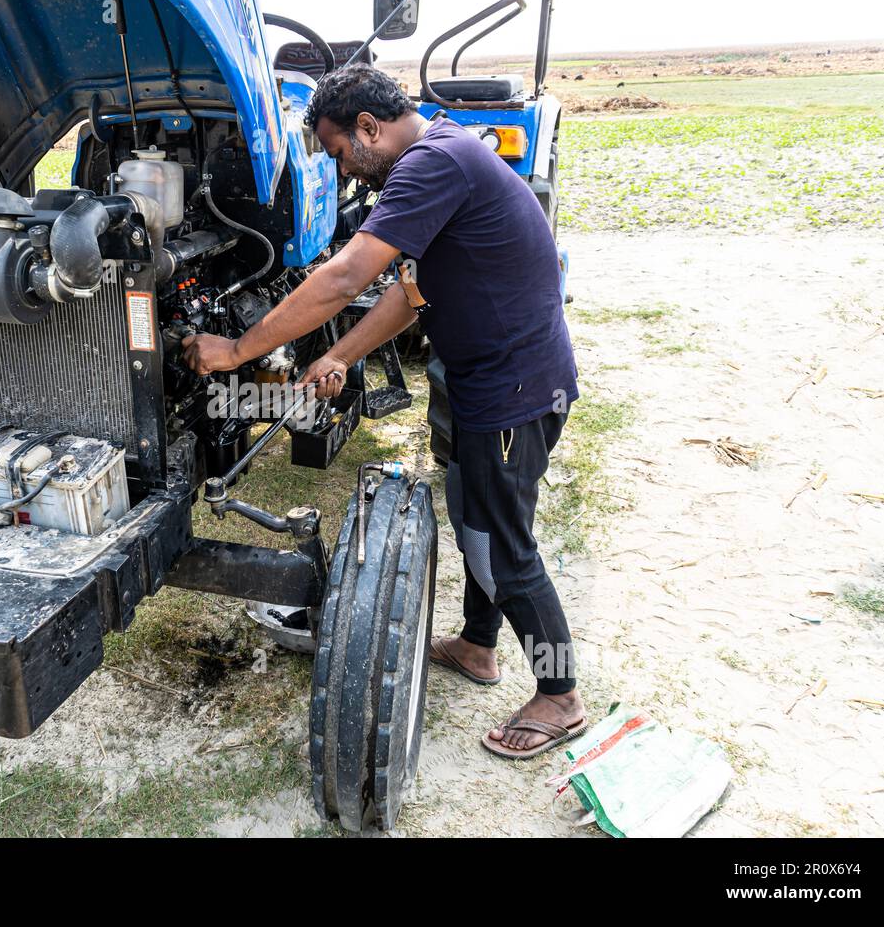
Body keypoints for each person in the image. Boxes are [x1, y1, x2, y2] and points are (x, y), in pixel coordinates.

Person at [182, 64, 585, 758]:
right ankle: (480, 647)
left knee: (502, 545)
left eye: (341, 152)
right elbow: (412, 292)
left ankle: (560, 694)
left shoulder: (432, 163)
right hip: (484, 378)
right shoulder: (447, 151)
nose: (347, 171)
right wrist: (344, 356)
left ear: (369, 127)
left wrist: (236, 350)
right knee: (472, 517)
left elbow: (344, 278)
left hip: (513, 391)